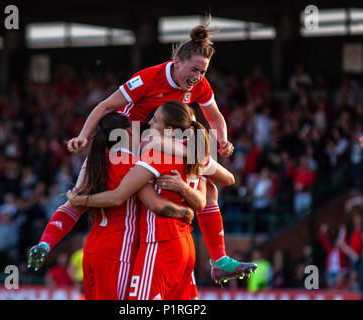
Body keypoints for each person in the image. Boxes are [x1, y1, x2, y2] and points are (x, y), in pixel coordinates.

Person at [62, 20, 255, 282]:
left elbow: (215, 116)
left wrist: (223, 139)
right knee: (104, 191)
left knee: (210, 188)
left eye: (203, 71)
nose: (198, 77)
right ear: (177, 62)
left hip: (164, 142)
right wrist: (84, 136)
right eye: (195, 69)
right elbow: (105, 106)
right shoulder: (148, 78)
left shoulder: (198, 85)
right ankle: (58, 230)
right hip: (130, 141)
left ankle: (219, 260)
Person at [28, 112, 194, 300]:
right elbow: (154, 204)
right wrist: (185, 211)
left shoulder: (94, 162)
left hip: (92, 251)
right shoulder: (130, 164)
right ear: (128, 132)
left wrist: (45, 242)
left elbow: (70, 209)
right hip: (117, 254)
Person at [66, 101, 211, 299]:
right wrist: (185, 191)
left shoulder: (156, 154)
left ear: (169, 129)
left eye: (155, 119)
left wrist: (79, 200)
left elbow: (119, 196)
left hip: (159, 244)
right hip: (185, 244)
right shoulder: (195, 154)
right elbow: (226, 180)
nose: (149, 123)